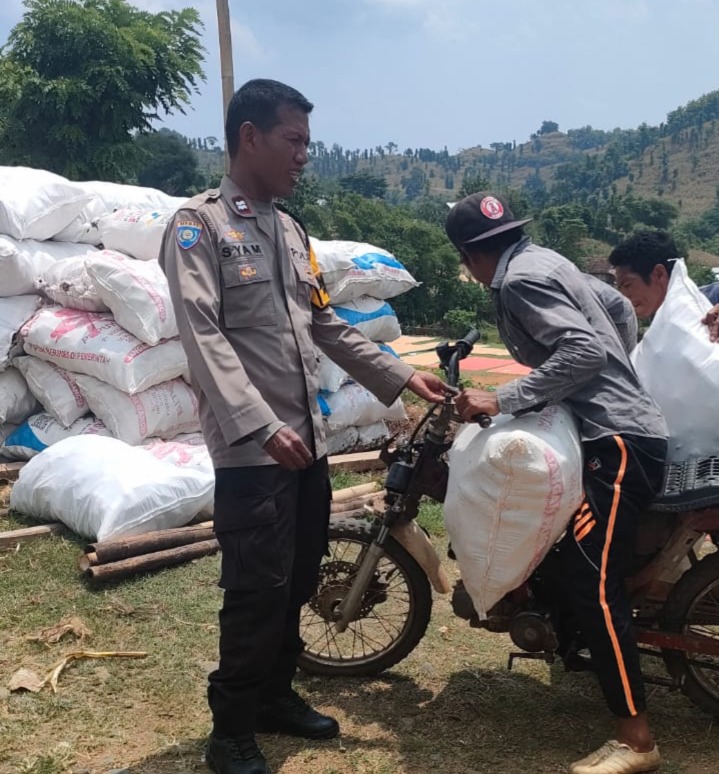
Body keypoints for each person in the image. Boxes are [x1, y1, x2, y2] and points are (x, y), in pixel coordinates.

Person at [159, 78, 449, 774]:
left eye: (307, 143)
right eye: (293, 140)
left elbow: (324, 324)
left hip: (306, 444)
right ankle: (230, 730)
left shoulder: (290, 231)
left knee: (297, 576)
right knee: (256, 589)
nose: (303, 156)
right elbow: (202, 335)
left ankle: (275, 695)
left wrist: (400, 375)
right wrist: (259, 425)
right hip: (252, 452)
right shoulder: (199, 227)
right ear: (249, 137)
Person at [445, 192, 668, 774]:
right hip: (620, 428)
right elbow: (617, 309)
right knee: (576, 564)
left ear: (470, 257)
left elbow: (584, 348)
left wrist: (503, 397)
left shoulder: (519, 281)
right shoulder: (547, 260)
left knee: (592, 581)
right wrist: (614, 377)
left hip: (619, 443)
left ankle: (637, 741)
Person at [608, 229, 719, 341]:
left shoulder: (709, 301)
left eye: (627, 285)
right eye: (619, 287)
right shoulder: (657, 328)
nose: (623, 296)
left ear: (659, 274)